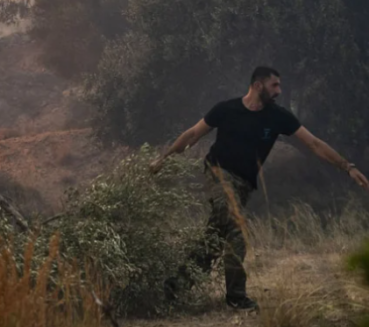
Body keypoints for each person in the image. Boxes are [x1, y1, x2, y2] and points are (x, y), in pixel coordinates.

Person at [150, 66, 369, 311]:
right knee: (236, 228)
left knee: (213, 240)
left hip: (244, 184)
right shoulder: (226, 109)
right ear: (257, 85)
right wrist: (163, 158)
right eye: (274, 85)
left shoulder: (279, 117)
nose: (279, 91)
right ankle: (236, 297)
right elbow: (192, 134)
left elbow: (315, 144)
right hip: (218, 173)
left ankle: (173, 288)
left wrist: (347, 166)